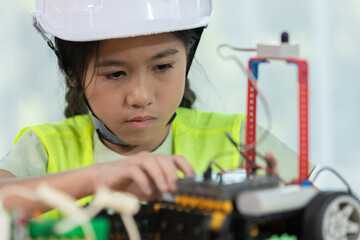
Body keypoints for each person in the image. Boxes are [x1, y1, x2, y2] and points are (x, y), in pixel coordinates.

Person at [0, 0, 300, 216]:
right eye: (115, 74)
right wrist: (97, 178)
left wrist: (280, 206)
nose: (140, 96)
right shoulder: (46, 150)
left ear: (188, 55)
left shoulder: (240, 140)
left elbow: (327, 213)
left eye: (162, 66)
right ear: (73, 73)